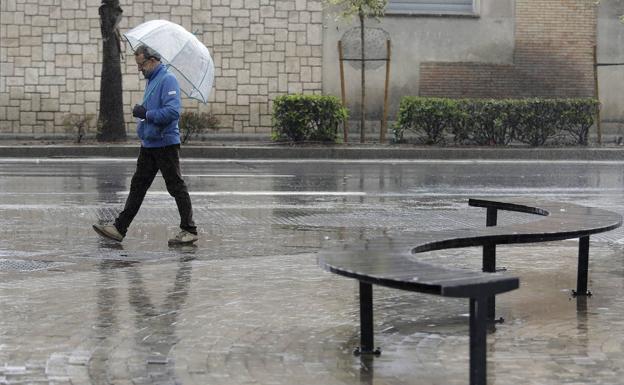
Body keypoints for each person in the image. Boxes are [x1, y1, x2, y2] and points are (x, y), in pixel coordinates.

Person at [93, 44, 198, 245]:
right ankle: (118, 228)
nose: (139, 69)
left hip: (165, 144)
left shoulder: (168, 79)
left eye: (141, 64)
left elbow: (173, 112)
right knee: (138, 186)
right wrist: (143, 121)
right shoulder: (152, 80)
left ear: (152, 60)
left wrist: (146, 114)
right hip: (150, 143)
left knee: (175, 186)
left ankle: (189, 229)